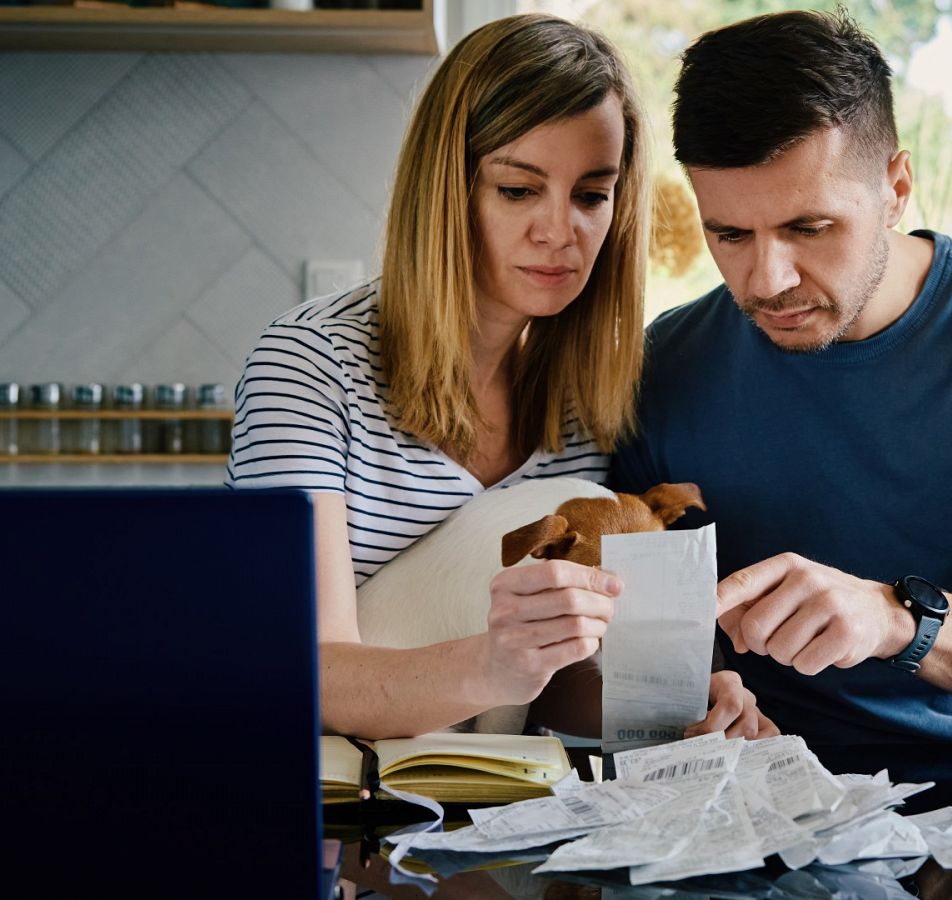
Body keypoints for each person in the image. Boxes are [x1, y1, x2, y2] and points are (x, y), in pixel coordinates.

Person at [610, 10, 952, 743]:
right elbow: (648, 656)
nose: (767, 281)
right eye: (731, 234)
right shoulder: (665, 365)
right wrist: (695, 698)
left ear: (896, 188)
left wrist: (899, 621)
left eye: (809, 228)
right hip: (760, 793)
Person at [226, 13, 773, 741]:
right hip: (331, 790)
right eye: (518, 189)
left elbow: (543, 688)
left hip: (495, 788)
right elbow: (299, 670)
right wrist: (490, 665)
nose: (560, 231)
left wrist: (673, 707)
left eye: (591, 195)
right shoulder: (309, 366)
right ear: (447, 190)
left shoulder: (584, 400)